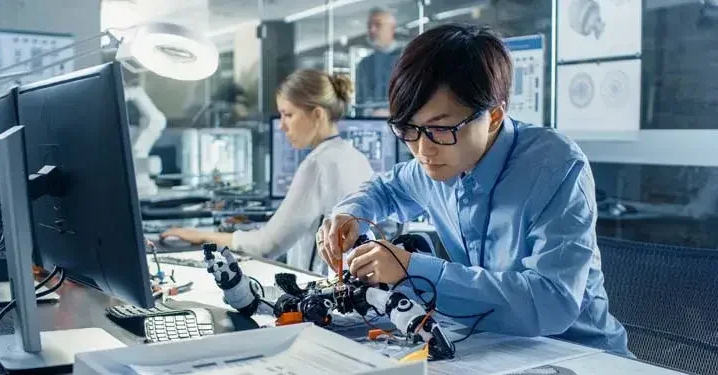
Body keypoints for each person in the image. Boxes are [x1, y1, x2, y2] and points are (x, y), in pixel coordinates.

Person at [317, 24, 631, 356]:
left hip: (578, 353)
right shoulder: (435, 162)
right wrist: (349, 214)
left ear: (494, 116)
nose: (423, 149)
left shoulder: (554, 166)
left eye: (440, 128)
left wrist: (413, 268)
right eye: (408, 129)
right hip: (492, 347)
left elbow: (551, 302)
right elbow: (385, 189)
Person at [162, 69, 374, 274]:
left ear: (317, 114)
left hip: (320, 291)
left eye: (288, 115)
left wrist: (199, 236)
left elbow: (267, 245)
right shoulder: (355, 157)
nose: (281, 126)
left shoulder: (318, 163)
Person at [355, 7, 402, 117]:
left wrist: (392, 113)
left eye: (378, 25)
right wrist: (371, 112)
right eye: (369, 25)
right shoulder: (364, 64)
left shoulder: (408, 58)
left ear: (392, 28)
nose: (372, 30)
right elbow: (361, 99)